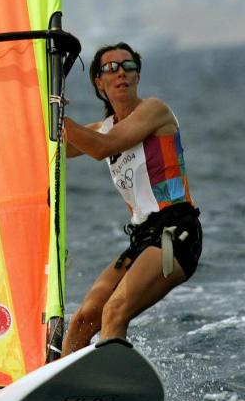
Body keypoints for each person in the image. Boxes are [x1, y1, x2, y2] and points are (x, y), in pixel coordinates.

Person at [61, 42, 202, 356]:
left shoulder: (153, 110)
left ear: (138, 75)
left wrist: (60, 115)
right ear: (99, 82)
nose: (120, 72)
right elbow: (54, 144)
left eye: (128, 66)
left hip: (175, 235)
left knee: (115, 310)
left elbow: (101, 148)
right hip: (142, 240)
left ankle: (108, 386)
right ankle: (49, 388)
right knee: (84, 319)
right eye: (110, 68)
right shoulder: (103, 128)